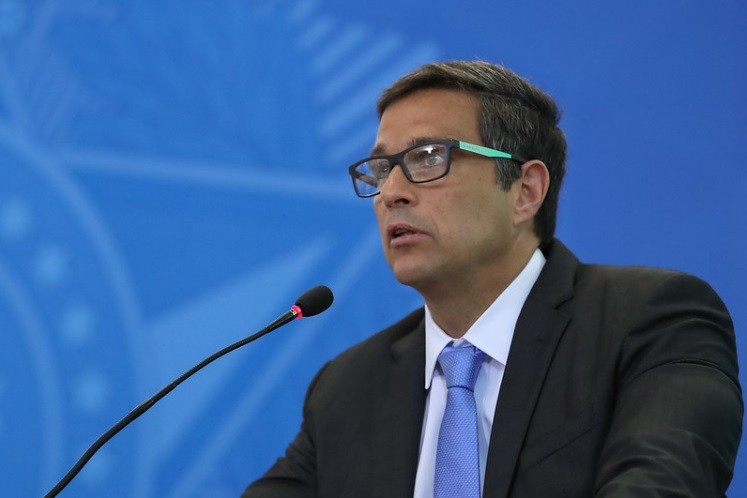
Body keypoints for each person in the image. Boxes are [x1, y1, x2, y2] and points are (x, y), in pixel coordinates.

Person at [243, 60, 742, 497]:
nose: (391, 192)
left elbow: (661, 482)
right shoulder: (348, 387)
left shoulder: (650, 322)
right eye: (381, 168)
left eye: (428, 157)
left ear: (526, 190)